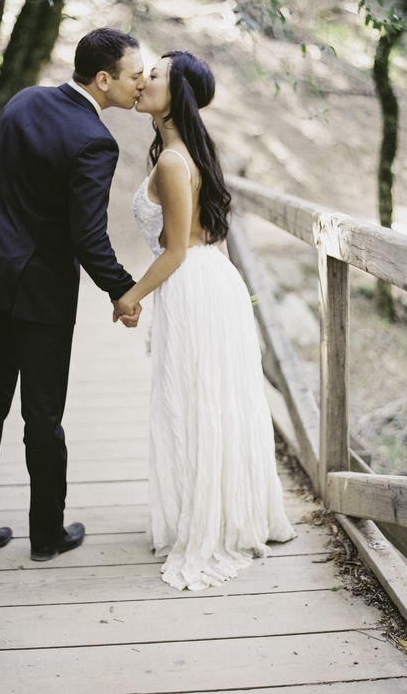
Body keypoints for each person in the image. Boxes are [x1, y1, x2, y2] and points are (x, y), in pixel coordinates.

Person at [0, 28, 144, 563]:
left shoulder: (24, 101)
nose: (139, 85)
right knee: (42, 416)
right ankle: (46, 536)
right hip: (39, 294)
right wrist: (123, 290)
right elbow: (88, 237)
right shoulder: (95, 140)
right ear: (103, 80)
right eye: (133, 75)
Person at [114, 50, 295, 591]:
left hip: (193, 284)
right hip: (207, 280)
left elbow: (173, 251)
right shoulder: (181, 151)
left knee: (194, 402)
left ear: (180, 95)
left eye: (157, 75)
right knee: (208, 401)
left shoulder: (173, 161)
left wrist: (130, 297)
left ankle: (215, 519)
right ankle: (227, 510)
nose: (145, 79)